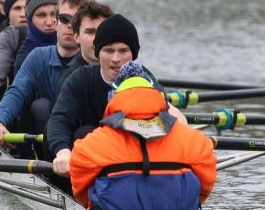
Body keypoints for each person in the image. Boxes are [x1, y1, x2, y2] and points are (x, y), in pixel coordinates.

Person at [68, 62, 217, 210]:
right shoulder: (192, 139)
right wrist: (193, 203)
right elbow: (206, 176)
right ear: (159, 98)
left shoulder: (97, 142)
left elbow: (79, 171)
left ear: (113, 99)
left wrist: (87, 204)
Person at [47, 14, 174, 176]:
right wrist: (63, 152)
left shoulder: (145, 81)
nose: (116, 59)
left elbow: (169, 119)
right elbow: (59, 120)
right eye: (108, 50)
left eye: (123, 51)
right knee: (84, 134)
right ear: (98, 53)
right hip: (93, 158)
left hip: (135, 156)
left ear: (133, 55)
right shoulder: (80, 78)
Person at [0, 0, 86, 144]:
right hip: (44, 138)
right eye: (64, 19)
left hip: (79, 137)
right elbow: (17, 92)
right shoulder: (37, 56)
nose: (70, 25)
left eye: (76, 20)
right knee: (41, 107)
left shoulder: (93, 60)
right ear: (56, 22)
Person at [57, 0, 113, 92]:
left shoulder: (127, 71)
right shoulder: (70, 81)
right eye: (90, 32)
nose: (97, 38)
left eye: (102, 30)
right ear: (77, 36)